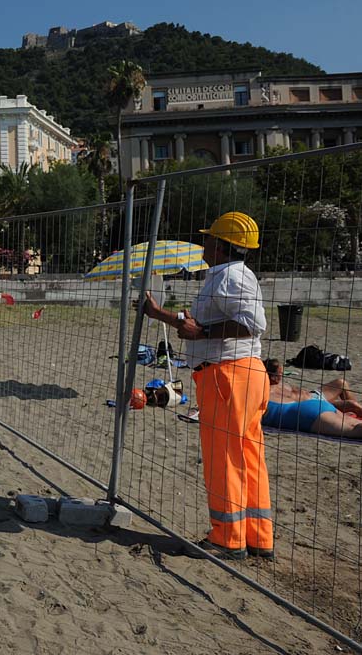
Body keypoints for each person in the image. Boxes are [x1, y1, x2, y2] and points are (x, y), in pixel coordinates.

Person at [143, 211, 273, 561]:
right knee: (248, 457)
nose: (204, 243)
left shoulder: (231, 277)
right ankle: (257, 537)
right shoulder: (228, 275)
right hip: (239, 375)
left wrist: (204, 332)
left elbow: (252, 324)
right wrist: (164, 316)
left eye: (209, 238)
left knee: (224, 460)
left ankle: (228, 539)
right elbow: (207, 325)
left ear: (219, 245)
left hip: (228, 377)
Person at [263, 359, 362, 438]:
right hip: (309, 409)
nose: (281, 375)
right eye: (279, 374)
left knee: (354, 425)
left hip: (311, 405)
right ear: (272, 376)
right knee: (354, 422)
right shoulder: (267, 392)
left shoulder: (276, 387)